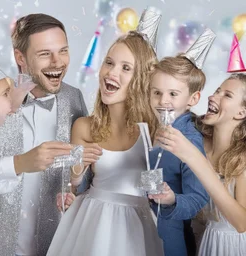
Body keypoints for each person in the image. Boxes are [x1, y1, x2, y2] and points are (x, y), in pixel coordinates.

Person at [47, 30, 164, 256]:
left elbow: (160, 186)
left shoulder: (153, 129)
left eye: (126, 68)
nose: (112, 72)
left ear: (142, 79)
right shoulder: (84, 127)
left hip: (138, 226)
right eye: (109, 63)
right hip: (92, 220)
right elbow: (72, 184)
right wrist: (76, 169)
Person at [0, 13, 88, 256]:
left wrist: (74, 191)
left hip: (56, 245)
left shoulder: (74, 99)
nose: (58, 62)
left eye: (63, 51)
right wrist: (20, 163)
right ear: (20, 57)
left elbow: (81, 172)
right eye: (45, 53)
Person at [156, 73, 246, 256]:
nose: (213, 97)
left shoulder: (241, 159)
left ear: (241, 113)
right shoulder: (196, 140)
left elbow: (241, 223)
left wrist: (194, 158)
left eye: (227, 95)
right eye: (217, 91)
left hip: (232, 247)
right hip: (199, 242)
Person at [147, 54, 210, 256]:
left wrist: (172, 199)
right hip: (137, 227)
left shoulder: (190, 140)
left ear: (193, 99)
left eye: (173, 94)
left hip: (169, 238)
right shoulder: (146, 127)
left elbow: (198, 197)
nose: (163, 100)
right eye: (156, 92)